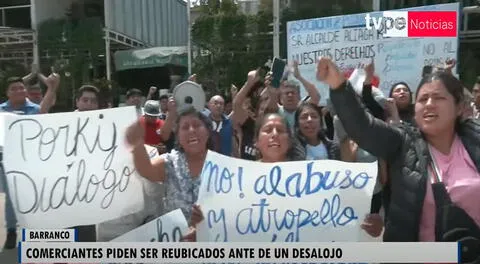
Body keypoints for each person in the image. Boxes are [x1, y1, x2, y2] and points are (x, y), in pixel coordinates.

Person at [318, 57, 480, 262]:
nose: (429, 104)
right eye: (423, 99)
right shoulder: (403, 142)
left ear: (458, 107)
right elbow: (364, 128)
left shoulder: (475, 139)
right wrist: (339, 86)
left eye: (438, 98)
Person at [182, 113, 382, 241]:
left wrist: (371, 228)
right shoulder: (232, 182)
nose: (274, 135)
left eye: (281, 131)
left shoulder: (316, 181)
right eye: (267, 130)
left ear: (290, 139)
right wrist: (201, 227)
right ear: (257, 141)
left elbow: (342, 222)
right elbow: (220, 229)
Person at [0, 74, 58, 249]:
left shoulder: (34, 109)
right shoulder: (1, 110)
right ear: (7, 93)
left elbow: (44, 110)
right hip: (6, 162)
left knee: (33, 197)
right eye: (14, 88)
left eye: (21, 88)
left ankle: (34, 232)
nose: (19, 91)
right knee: (11, 198)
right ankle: (11, 231)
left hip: (29, 162)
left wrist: (52, 87)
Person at [126, 105, 213, 220]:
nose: (191, 130)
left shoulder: (223, 167)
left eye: (197, 125)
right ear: (178, 137)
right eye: (185, 127)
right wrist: (137, 144)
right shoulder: (171, 162)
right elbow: (146, 170)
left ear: (208, 132)